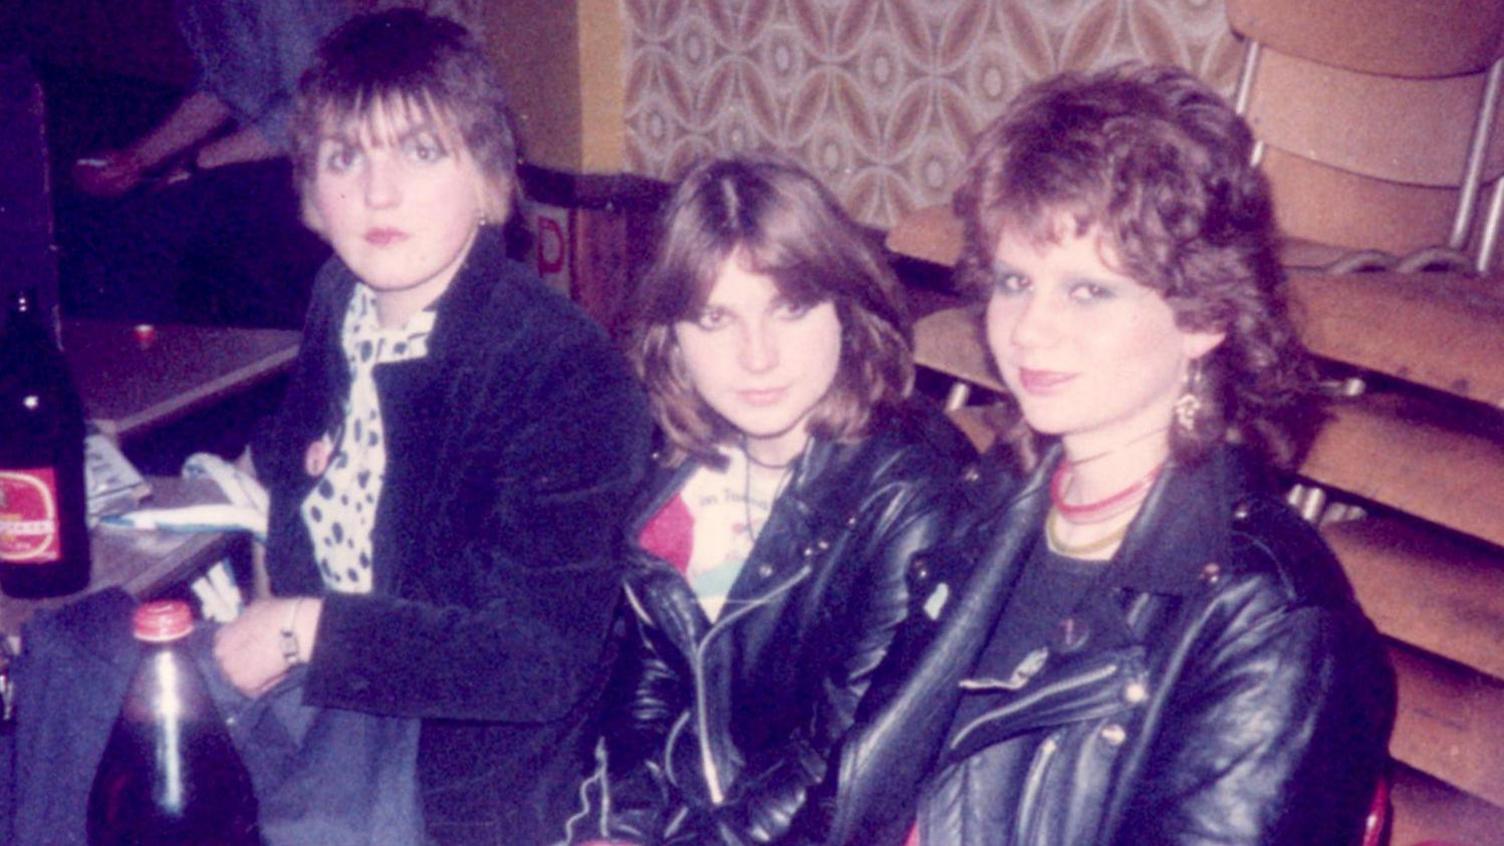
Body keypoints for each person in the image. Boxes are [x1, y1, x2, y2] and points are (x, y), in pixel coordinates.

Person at [827, 64, 1396, 845]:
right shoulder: (995, 504)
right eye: (1015, 280)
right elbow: (859, 785)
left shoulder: (1276, 623)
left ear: (1205, 315)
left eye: (1088, 290)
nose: (1028, 329)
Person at [211, 10, 651, 845]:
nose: (378, 193)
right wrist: (222, 492)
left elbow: (538, 660)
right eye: (346, 156)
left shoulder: (564, 371)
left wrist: (307, 630)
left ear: (489, 179)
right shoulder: (340, 300)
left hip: (453, 770)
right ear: (310, 191)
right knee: (88, 662)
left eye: (420, 150)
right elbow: (289, 457)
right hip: (325, 709)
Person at [570, 156, 977, 845]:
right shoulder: (680, 477)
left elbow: (839, 771)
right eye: (714, 318)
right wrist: (615, 830)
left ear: (846, 310)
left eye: (789, 309)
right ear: (671, 339)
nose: (756, 356)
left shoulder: (908, 496)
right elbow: (642, 700)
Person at [61, 0, 348, 326]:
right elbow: (224, 89)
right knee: (98, 217)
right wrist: (137, 159)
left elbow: (318, 104)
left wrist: (200, 163)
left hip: (337, 163)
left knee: (154, 226)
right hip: (281, 157)